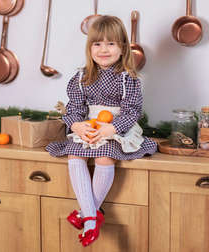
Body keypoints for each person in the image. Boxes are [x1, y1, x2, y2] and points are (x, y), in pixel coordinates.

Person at [46, 15, 157, 247]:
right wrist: (76, 125)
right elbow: (75, 108)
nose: (103, 49)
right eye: (97, 44)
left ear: (122, 47)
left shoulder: (128, 78)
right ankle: (92, 216)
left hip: (118, 127)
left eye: (111, 43)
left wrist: (112, 128)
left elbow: (132, 111)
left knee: (104, 155)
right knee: (74, 153)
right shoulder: (81, 77)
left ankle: (87, 217)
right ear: (90, 48)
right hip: (91, 126)